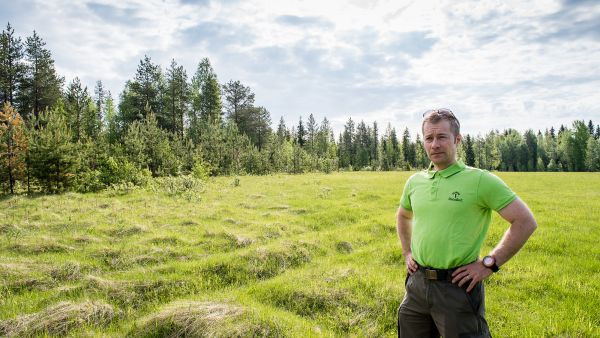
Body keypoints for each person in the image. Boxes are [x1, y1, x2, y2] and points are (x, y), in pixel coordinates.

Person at [396, 108, 537, 338]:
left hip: (457, 287)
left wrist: (489, 264)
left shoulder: (480, 180)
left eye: (442, 137)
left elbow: (525, 221)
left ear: (457, 139)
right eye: (429, 138)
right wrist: (406, 252)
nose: (435, 144)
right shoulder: (415, 182)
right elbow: (403, 215)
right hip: (417, 285)